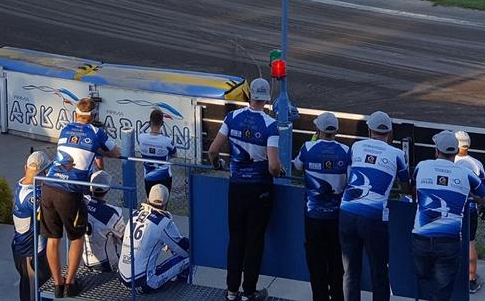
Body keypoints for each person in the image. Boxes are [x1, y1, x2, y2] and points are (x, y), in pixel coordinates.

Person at [207, 77, 282, 301]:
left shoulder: (232, 117)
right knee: (255, 241)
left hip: (236, 187)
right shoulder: (270, 125)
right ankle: (249, 291)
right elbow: (273, 165)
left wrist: (217, 165)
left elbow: (212, 151)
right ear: (267, 98)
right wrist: (278, 172)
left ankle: (231, 291)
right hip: (260, 189)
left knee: (236, 239)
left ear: (250, 96)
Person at [40, 96, 121, 298]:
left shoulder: (65, 129)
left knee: (52, 239)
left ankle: (57, 285)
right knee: (76, 238)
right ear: (93, 116)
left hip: (48, 187)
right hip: (70, 191)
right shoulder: (97, 131)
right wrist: (99, 150)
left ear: (76, 114)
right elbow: (117, 153)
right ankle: (70, 283)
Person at [412, 131, 485, 301]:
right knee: (443, 292)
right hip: (449, 241)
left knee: (424, 287)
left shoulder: (422, 166)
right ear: (456, 152)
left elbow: (412, 189)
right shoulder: (466, 173)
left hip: (421, 238)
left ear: (436, 151)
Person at [338, 110, 409, 301]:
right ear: (390, 133)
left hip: (347, 212)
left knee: (350, 272)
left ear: (369, 130)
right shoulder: (397, 154)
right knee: (379, 271)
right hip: (373, 219)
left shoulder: (356, 146)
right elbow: (405, 187)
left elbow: (348, 175)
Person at [293, 112, 350, 301]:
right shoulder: (346, 151)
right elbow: (350, 179)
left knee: (316, 262)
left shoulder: (308, 147)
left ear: (318, 130)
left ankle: (320, 297)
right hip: (336, 218)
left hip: (313, 217)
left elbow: (298, 166)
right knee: (336, 261)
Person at [117, 184, 190, 291]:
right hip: (143, 284)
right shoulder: (164, 222)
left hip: (122, 278)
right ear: (166, 203)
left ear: (147, 199)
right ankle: (180, 290)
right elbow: (182, 250)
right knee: (189, 256)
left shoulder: (134, 215)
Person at [13, 150, 51, 301]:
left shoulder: (22, 183)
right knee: (32, 293)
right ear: (44, 172)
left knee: (41, 287)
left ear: (25, 168)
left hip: (27, 250)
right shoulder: (33, 198)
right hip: (31, 254)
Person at [453, 130, 485, 293]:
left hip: (453, 207)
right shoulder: (476, 164)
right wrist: (484, 207)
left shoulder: (448, 160)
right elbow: (483, 190)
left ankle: (452, 275)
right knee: (470, 242)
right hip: (470, 208)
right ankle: (471, 279)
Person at [84, 170, 125, 272]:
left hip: (86, 259)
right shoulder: (113, 213)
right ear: (108, 189)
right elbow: (124, 239)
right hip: (105, 263)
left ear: (90, 188)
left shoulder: (81, 203)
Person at [137, 108, 177, 198]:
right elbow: (175, 155)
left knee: (150, 200)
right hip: (165, 176)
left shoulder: (141, 138)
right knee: (163, 202)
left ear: (149, 122)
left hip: (148, 176)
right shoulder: (167, 141)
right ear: (162, 124)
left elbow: (142, 130)